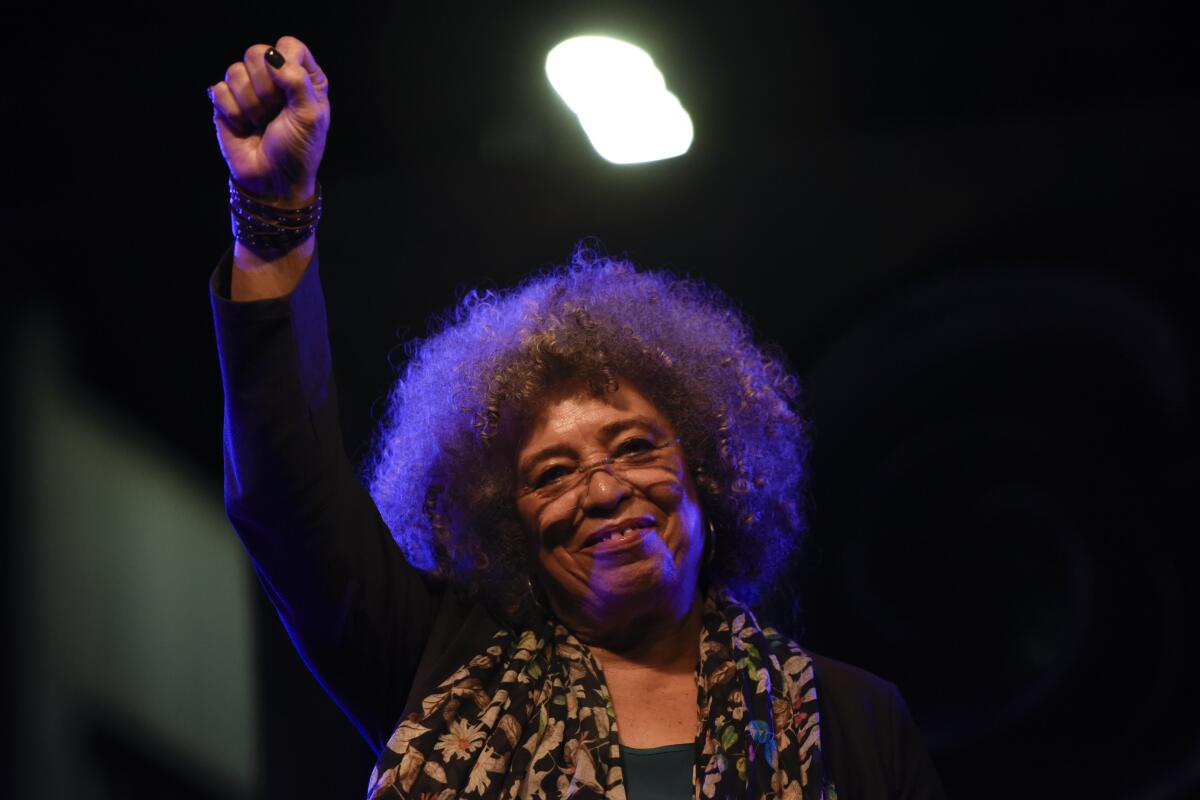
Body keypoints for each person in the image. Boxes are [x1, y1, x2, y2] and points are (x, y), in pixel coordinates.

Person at [206, 35, 947, 800]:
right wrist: (273, 218)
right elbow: (286, 495)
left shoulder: (851, 721)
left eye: (632, 447)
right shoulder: (437, 666)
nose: (601, 491)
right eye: (553, 473)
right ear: (503, 525)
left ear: (708, 470)